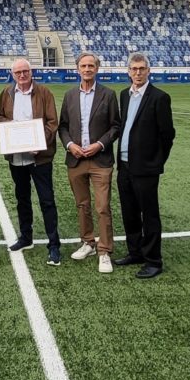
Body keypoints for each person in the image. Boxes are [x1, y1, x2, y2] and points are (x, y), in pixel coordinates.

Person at [58, 51, 120, 274]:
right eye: (83, 66)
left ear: (97, 69)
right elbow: (62, 126)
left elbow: (115, 126)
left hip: (100, 160)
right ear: (77, 69)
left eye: (91, 66)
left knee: (102, 206)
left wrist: (100, 145)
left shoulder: (108, 95)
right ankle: (88, 243)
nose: (87, 69)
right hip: (75, 159)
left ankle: (104, 251)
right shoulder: (70, 95)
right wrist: (69, 145)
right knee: (82, 204)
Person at [0, 58, 62, 266]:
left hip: (39, 157)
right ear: (12, 74)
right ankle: (26, 237)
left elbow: (52, 122)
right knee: (22, 198)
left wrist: (40, 142)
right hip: (17, 157)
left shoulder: (44, 93)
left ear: (31, 72)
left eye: (25, 71)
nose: (22, 75)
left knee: (47, 200)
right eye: (18, 72)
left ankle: (54, 245)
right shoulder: (7, 93)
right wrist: (11, 128)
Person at [115, 52, 176, 279]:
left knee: (149, 214)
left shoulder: (159, 97)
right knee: (129, 212)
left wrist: (156, 161)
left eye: (142, 69)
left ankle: (153, 260)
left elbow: (167, 135)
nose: (138, 72)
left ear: (148, 71)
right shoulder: (124, 95)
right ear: (128, 71)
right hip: (124, 165)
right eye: (134, 69)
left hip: (146, 168)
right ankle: (135, 252)